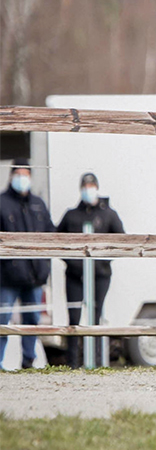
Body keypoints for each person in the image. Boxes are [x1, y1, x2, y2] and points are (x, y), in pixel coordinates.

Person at [57, 172, 123, 368]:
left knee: (96, 315)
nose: (88, 189)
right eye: (85, 186)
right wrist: (72, 262)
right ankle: (73, 363)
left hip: (100, 275)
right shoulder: (71, 215)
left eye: (91, 186)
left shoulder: (108, 214)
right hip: (75, 276)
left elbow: (122, 241)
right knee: (74, 318)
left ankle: (98, 361)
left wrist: (103, 261)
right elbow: (56, 241)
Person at [0, 158, 54, 369]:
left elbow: (51, 233)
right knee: (2, 320)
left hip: (34, 275)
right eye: (18, 174)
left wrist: (44, 265)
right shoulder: (2, 203)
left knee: (32, 319)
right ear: (12, 175)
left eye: (25, 174)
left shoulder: (38, 204)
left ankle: (28, 360)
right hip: (7, 276)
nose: (22, 179)